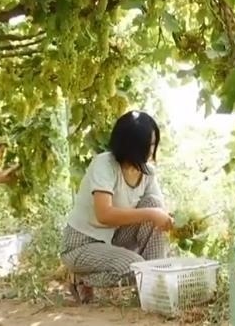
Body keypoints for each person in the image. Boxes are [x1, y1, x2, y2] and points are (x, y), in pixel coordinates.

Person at [60, 111, 173, 303]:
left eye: (153, 144)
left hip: (114, 239)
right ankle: (80, 279)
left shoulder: (147, 173)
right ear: (132, 145)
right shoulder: (105, 164)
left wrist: (172, 221)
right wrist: (153, 214)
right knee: (136, 267)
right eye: (148, 144)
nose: (151, 149)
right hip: (81, 245)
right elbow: (104, 215)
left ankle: (153, 288)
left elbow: (156, 211)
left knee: (153, 205)